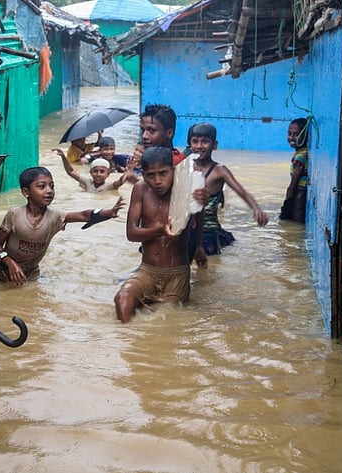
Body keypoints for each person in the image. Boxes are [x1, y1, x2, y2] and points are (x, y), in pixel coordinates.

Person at [0, 166, 125, 285]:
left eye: (52, 186)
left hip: (31, 277)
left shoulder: (55, 217)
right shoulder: (14, 215)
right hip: (3, 275)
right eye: (42, 186)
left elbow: (84, 215)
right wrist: (9, 262)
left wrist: (109, 212)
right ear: (26, 192)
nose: (49, 191)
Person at [114, 147, 192, 323]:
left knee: (164, 320)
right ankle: (126, 339)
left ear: (173, 170)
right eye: (151, 175)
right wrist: (159, 230)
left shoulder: (185, 191)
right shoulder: (140, 189)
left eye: (163, 173)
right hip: (147, 270)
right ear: (143, 174)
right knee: (122, 299)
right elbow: (131, 233)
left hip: (177, 274)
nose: (157, 181)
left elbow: (197, 225)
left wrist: (198, 253)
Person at [186, 123, 269, 258]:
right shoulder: (185, 167)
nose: (199, 146)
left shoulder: (219, 171)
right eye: (195, 141)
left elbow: (241, 191)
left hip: (208, 232)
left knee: (208, 272)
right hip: (187, 230)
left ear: (215, 145)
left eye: (205, 142)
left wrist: (256, 209)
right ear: (190, 144)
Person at [52, 148, 130, 192]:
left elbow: (120, 182)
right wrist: (63, 157)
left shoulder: (109, 187)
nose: (98, 174)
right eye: (95, 171)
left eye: (102, 172)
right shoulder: (87, 182)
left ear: (108, 174)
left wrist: (128, 171)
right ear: (90, 173)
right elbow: (71, 172)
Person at [280, 117, 308, 223]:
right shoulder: (304, 152)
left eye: (296, 134)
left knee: (296, 222)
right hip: (300, 194)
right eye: (289, 133)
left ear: (305, 136)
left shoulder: (300, 157)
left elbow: (294, 182)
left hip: (299, 195)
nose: (291, 138)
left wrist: (288, 200)